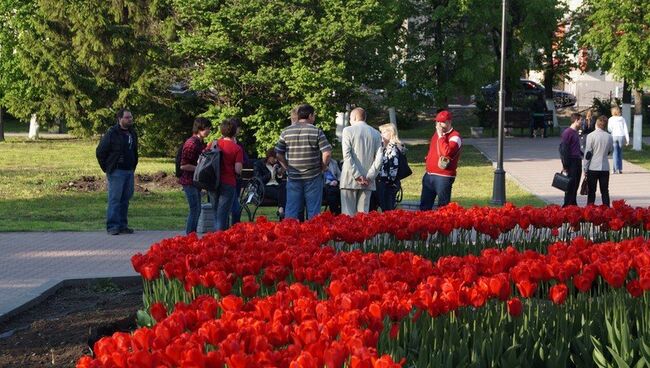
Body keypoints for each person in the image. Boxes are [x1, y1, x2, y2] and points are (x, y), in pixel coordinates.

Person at [275, 104, 332, 220]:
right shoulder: (316, 131)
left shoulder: (286, 132)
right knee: (314, 211)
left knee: (291, 209)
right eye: (314, 115)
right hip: (313, 176)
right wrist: (323, 167)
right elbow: (327, 153)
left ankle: (289, 235)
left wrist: (286, 167)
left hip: (294, 176)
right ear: (310, 116)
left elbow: (279, 153)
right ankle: (313, 236)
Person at [96, 108, 138, 235]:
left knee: (125, 199)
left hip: (129, 171)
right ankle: (113, 226)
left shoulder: (132, 133)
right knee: (115, 199)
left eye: (130, 117)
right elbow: (100, 151)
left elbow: (134, 150)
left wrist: (133, 165)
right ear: (120, 119)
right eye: (127, 117)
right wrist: (108, 168)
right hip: (116, 172)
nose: (130, 119)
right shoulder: (112, 133)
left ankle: (122, 225)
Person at [339, 107, 383, 216]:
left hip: (349, 178)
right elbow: (379, 158)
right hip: (368, 181)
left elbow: (347, 155)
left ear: (354, 117)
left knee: (347, 215)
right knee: (363, 216)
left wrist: (357, 175)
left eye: (350, 118)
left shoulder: (348, 130)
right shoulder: (376, 133)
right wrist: (370, 176)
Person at [420, 110, 462, 210]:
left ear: (449, 122)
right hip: (429, 175)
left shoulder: (455, 137)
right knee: (424, 206)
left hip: (443, 176)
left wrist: (441, 136)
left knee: (443, 208)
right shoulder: (437, 134)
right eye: (437, 122)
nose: (439, 125)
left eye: (441, 122)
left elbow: (446, 152)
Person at [207, 118, 243, 231]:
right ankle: (220, 240)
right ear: (234, 131)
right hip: (228, 182)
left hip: (212, 181)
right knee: (223, 214)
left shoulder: (213, 144)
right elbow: (238, 170)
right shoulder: (237, 148)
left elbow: (201, 161)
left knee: (215, 212)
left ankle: (214, 240)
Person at [178, 117, 211, 234]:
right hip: (189, 182)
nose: (209, 131)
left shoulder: (199, 142)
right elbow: (183, 165)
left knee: (196, 210)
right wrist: (200, 168)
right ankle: (190, 236)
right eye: (207, 128)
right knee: (195, 209)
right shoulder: (191, 143)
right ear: (200, 129)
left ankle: (191, 235)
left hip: (195, 182)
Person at [584, 115, 613, 206]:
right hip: (604, 167)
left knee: (592, 191)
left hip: (593, 167)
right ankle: (607, 210)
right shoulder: (609, 137)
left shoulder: (590, 136)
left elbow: (588, 154)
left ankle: (589, 210)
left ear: (596, 123)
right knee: (605, 191)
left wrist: (585, 168)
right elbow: (610, 150)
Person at [376, 123, 404, 211]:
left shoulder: (393, 148)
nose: (381, 135)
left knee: (387, 209)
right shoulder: (385, 147)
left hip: (388, 184)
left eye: (383, 132)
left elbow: (393, 168)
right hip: (383, 182)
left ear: (390, 133)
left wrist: (390, 182)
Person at [254, 148, 287, 219]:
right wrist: (271, 172)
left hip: (276, 187)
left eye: (276, 158)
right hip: (264, 187)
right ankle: (281, 211)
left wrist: (279, 174)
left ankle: (281, 210)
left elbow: (279, 181)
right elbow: (258, 180)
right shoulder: (259, 164)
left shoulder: (277, 164)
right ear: (268, 156)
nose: (275, 160)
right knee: (283, 195)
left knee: (284, 185)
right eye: (273, 158)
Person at [560, 113, 583, 207]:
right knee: (570, 185)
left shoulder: (575, 132)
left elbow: (575, 148)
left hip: (578, 160)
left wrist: (583, 154)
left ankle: (573, 204)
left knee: (575, 184)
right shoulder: (567, 132)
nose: (582, 122)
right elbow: (564, 149)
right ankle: (567, 205)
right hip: (571, 162)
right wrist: (565, 165)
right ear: (576, 120)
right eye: (581, 120)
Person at [229, 120, 250, 227]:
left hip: (236, 179)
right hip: (229, 179)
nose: (239, 130)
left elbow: (245, 160)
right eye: (238, 128)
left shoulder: (239, 144)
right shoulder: (234, 145)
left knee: (234, 206)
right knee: (233, 207)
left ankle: (233, 228)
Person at [607, 106, 629, 174]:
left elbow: (609, 129)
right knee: (620, 153)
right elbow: (625, 129)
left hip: (614, 136)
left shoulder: (610, 119)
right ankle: (619, 169)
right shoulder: (622, 119)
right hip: (621, 136)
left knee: (614, 153)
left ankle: (614, 169)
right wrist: (627, 139)